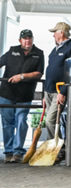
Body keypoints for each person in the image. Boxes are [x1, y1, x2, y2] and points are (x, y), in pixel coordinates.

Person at [0, 29, 44, 163]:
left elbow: (38, 74)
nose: (27, 41)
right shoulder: (12, 51)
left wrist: (22, 77)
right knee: (7, 123)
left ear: (32, 39)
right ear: (20, 40)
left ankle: (18, 151)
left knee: (21, 122)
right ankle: (8, 151)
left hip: (25, 95)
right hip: (6, 93)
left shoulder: (38, 54)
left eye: (29, 38)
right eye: (25, 38)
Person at [43, 22, 71, 161]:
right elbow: (50, 69)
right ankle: (58, 149)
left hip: (59, 91)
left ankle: (58, 150)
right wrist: (45, 93)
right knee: (50, 120)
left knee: (50, 121)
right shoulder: (54, 50)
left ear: (61, 33)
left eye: (55, 32)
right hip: (49, 91)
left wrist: (63, 91)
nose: (53, 35)